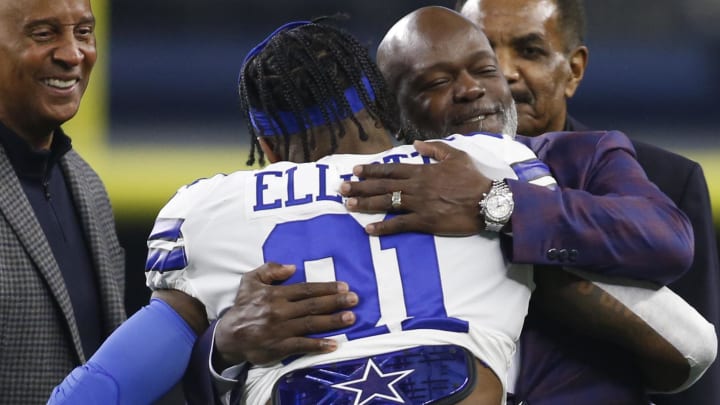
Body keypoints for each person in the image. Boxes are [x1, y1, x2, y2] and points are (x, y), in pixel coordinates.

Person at [192, 6, 714, 405]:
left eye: (483, 68)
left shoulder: (592, 157)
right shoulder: (344, 200)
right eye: (437, 82)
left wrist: (496, 207)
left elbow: (671, 260)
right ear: (389, 113)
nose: (477, 88)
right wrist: (224, 346)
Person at [50, 18, 564, 405]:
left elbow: (100, 390)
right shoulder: (487, 162)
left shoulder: (209, 209)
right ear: (384, 106)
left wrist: (224, 346)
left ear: (268, 146)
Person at [454, 1, 720, 403]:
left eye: (530, 51)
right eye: (484, 54)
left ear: (573, 70)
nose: (505, 72)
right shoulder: (415, 181)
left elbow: (695, 384)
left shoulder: (667, 180)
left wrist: (501, 208)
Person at [0, 0, 126, 403]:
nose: (73, 54)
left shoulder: (88, 187)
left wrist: (224, 344)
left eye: (84, 32)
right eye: (44, 34)